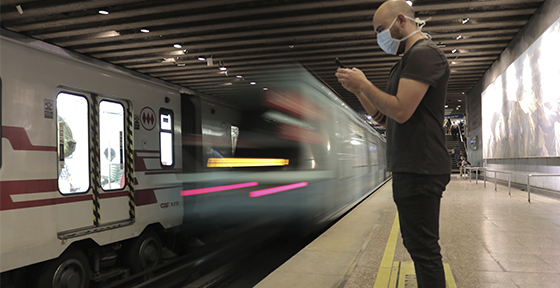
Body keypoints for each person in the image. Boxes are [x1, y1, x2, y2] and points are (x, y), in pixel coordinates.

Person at [335, 1, 450, 287]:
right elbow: (385, 119)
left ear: (401, 20)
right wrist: (358, 91)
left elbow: (401, 110)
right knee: (417, 246)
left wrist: (364, 85)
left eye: (380, 29)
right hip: (410, 166)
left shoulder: (424, 55)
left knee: (424, 251)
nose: (379, 37)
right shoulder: (404, 63)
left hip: (421, 166)